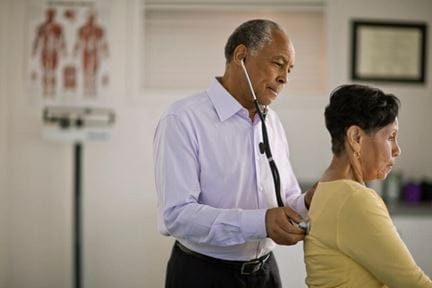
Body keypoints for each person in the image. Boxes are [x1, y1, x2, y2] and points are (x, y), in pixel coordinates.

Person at [153, 19, 314, 288]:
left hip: (265, 273)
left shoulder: (271, 122)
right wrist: (260, 222)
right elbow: (177, 215)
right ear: (241, 56)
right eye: (278, 63)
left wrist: (310, 200)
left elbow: (285, 199)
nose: (285, 78)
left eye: (290, 69)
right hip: (204, 274)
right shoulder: (182, 119)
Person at [304, 84, 432, 288]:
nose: (397, 150)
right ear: (356, 138)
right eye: (390, 137)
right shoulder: (354, 198)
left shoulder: (325, 189)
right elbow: (413, 284)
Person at [32, 8, 66, 97]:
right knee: (45, 71)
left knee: (53, 71)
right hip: (45, 50)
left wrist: (63, 51)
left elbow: (62, 40)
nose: (50, 16)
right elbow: (37, 39)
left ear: (54, 15)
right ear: (46, 15)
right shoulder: (41, 27)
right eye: (49, 14)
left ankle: (53, 91)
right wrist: (34, 50)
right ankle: (45, 90)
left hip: (54, 51)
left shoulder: (58, 27)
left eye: (52, 14)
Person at [74, 11, 108, 96]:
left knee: (94, 72)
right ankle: (86, 90)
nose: (91, 19)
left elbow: (103, 41)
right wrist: (76, 51)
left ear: (95, 18)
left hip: (95, 52)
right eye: (89, 17)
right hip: (86, 52)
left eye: (93, 17)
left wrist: (105, 51)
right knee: (86, 71)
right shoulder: (82, 29)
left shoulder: (99, 29)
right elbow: (78, 41)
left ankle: (93, 90)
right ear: (86, 18)